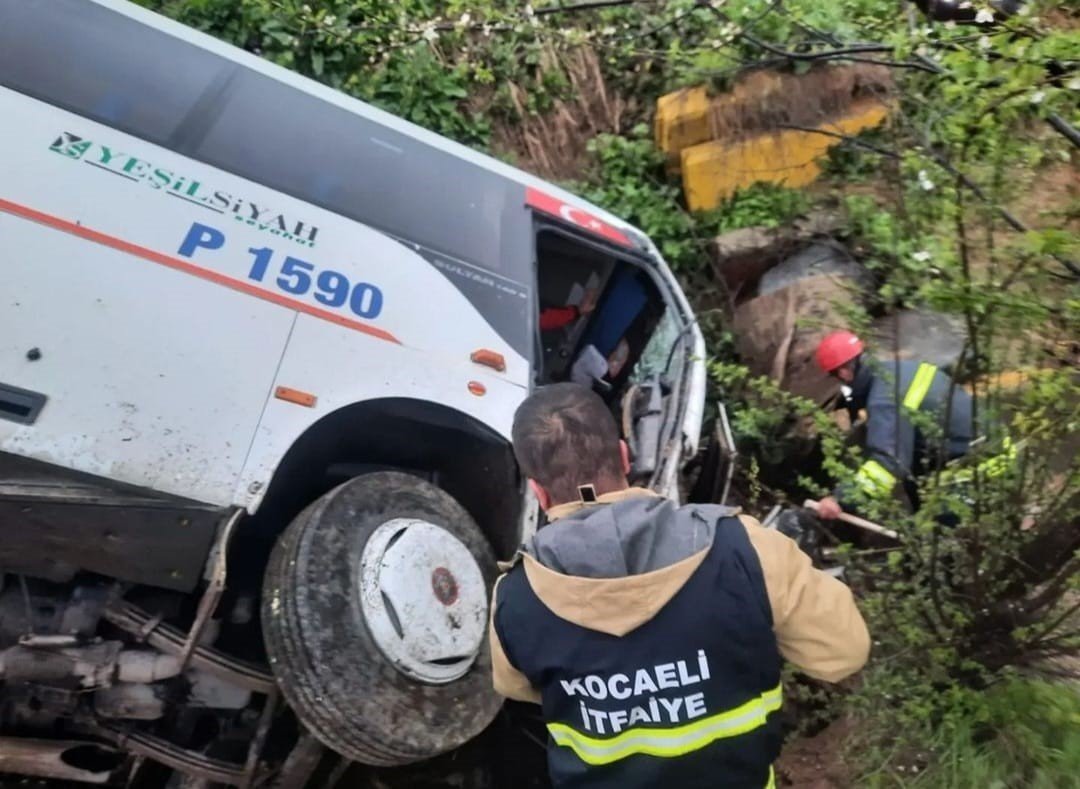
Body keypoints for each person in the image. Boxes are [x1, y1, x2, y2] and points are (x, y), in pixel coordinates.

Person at [490, 383, 870, 789]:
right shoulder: (746, 549)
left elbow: (516, 687)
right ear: (624, 455)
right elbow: (844, 652)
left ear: (538, 490)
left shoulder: (515, 599)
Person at [813, 330, 974, 520]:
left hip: (968, 473)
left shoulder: (884, 399)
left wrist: (840, 499)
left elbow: (889, 463)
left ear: (844, 372)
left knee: (939, 532)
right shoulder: (900, 370)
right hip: (987, 453)